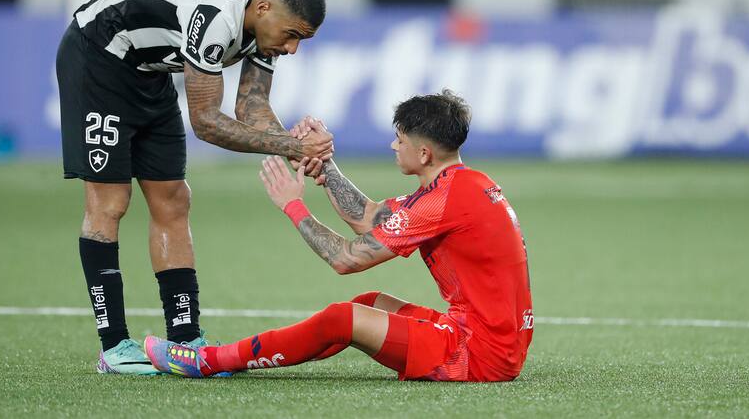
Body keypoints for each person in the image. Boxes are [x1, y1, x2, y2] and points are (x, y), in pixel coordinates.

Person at [56, 0, 333, 374]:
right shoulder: (216, 15)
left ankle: (186, 339)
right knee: (110, 202)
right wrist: (294, 149)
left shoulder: (267, 16)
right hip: (98, 59)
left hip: (149, 71)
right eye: (292, 36)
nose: (292, 48)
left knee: (173, 199)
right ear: (264, 10)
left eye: (301, 40)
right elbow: (205, 121)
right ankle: (113, 347)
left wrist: (293, 146)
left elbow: (251, 105)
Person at [145, 90, 534, 382]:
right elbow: (369, 218)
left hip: (479, 354)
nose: (392, 146)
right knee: (371, 303)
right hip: (498, 340)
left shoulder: (442, 201)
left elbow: (346, 259)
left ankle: (211, 361)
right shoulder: (461, 186)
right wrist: (324, 166)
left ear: (425, 153)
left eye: (400, 140)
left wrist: (293, 206)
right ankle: (282, 352)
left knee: (343, 317)